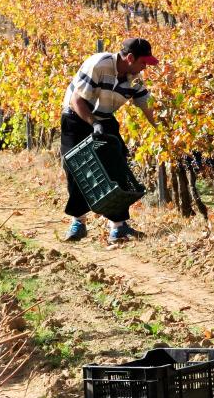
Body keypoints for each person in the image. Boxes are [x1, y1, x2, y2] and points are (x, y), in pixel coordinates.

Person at [61, 37, 158, 243]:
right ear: (130, 58)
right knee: (76, 166)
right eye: (143, 62)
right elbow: (76, 100)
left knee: (117, 165)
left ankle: (118, 227)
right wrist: (93, 123)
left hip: (103, 117)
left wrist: (162, 129)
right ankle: (78, 222)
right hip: (76, 114)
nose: (144, 68)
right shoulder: (98, 64)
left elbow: (146, 105)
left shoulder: (135, 77)